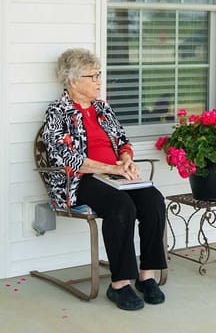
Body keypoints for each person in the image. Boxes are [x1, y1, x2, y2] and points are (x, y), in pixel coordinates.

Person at [42, 48, 167, 311]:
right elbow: (66, 158)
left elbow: (122, 140)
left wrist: (126, 159)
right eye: (94, 76)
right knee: (122, 206)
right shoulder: (58, 112)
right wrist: (109, 167)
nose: (100, 81)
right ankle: (120, 284)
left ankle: (147, 276)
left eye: (99, 74)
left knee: (153, 200)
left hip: (113, 174)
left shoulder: (102, 108)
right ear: (73, 80)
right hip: (79, 181)